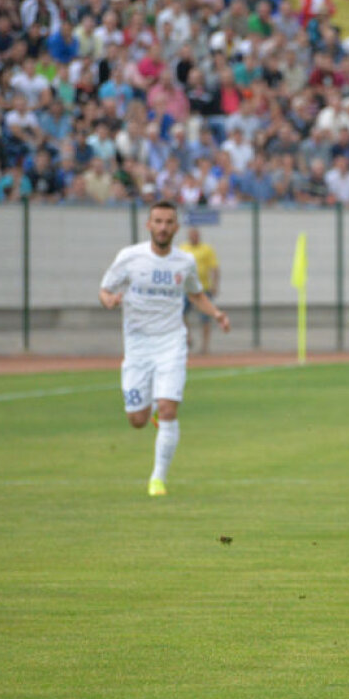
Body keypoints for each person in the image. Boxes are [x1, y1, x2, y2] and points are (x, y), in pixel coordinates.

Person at [98, 202, 231, 497]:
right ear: (149, 225)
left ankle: (157, 479)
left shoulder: (184, 262)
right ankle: (153, 412)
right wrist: (109, 301)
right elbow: (105, 289)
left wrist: (217, 313)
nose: (162, 227)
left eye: (168, 222)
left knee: (169, 408)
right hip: (137, 346)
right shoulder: (130, 257)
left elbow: (196, 294)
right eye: (157, 221)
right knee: (137, 420)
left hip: (171, 342)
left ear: (176, 227)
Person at [180, 226, 221, 354]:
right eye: (191, 235)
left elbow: (214, 268)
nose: (193, 237)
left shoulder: (206, 249)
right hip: (187, 290)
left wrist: (215, 285)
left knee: (205, 318)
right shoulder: (183, 249)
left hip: (203, 289)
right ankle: (188, 337)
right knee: (180, 314)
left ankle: (205, 346)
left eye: (195, 235)